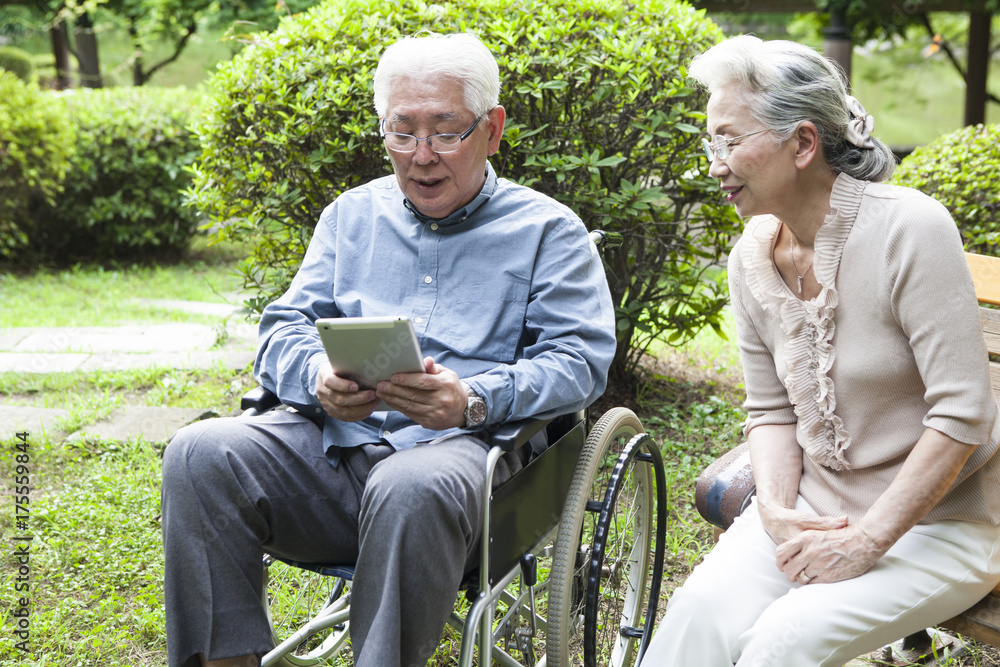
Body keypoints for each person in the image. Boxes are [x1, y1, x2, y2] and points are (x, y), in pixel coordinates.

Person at [160, 32, 616, 667]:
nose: (422, 156)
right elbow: (285, 325)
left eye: (445, 131)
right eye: (402, 133)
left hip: (466, 469)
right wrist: (318, 375)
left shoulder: (547, 231)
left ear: (492, 129)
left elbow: (579, 360)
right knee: (198, 453)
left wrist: (473, 400)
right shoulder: (351, 216)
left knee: (409, 485)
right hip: (336, 454)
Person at [640, 35, 1000, 666]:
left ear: (803, 143)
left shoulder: (910, 229)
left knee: (783, 643)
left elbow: (964, 413)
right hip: (817, 506)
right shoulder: (751, 254)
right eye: (710, 143)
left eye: (730, 140)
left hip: (948, 523)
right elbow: (772, 410)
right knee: (694, 619)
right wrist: (777, 512)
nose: (714, 164)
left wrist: (866, 542)